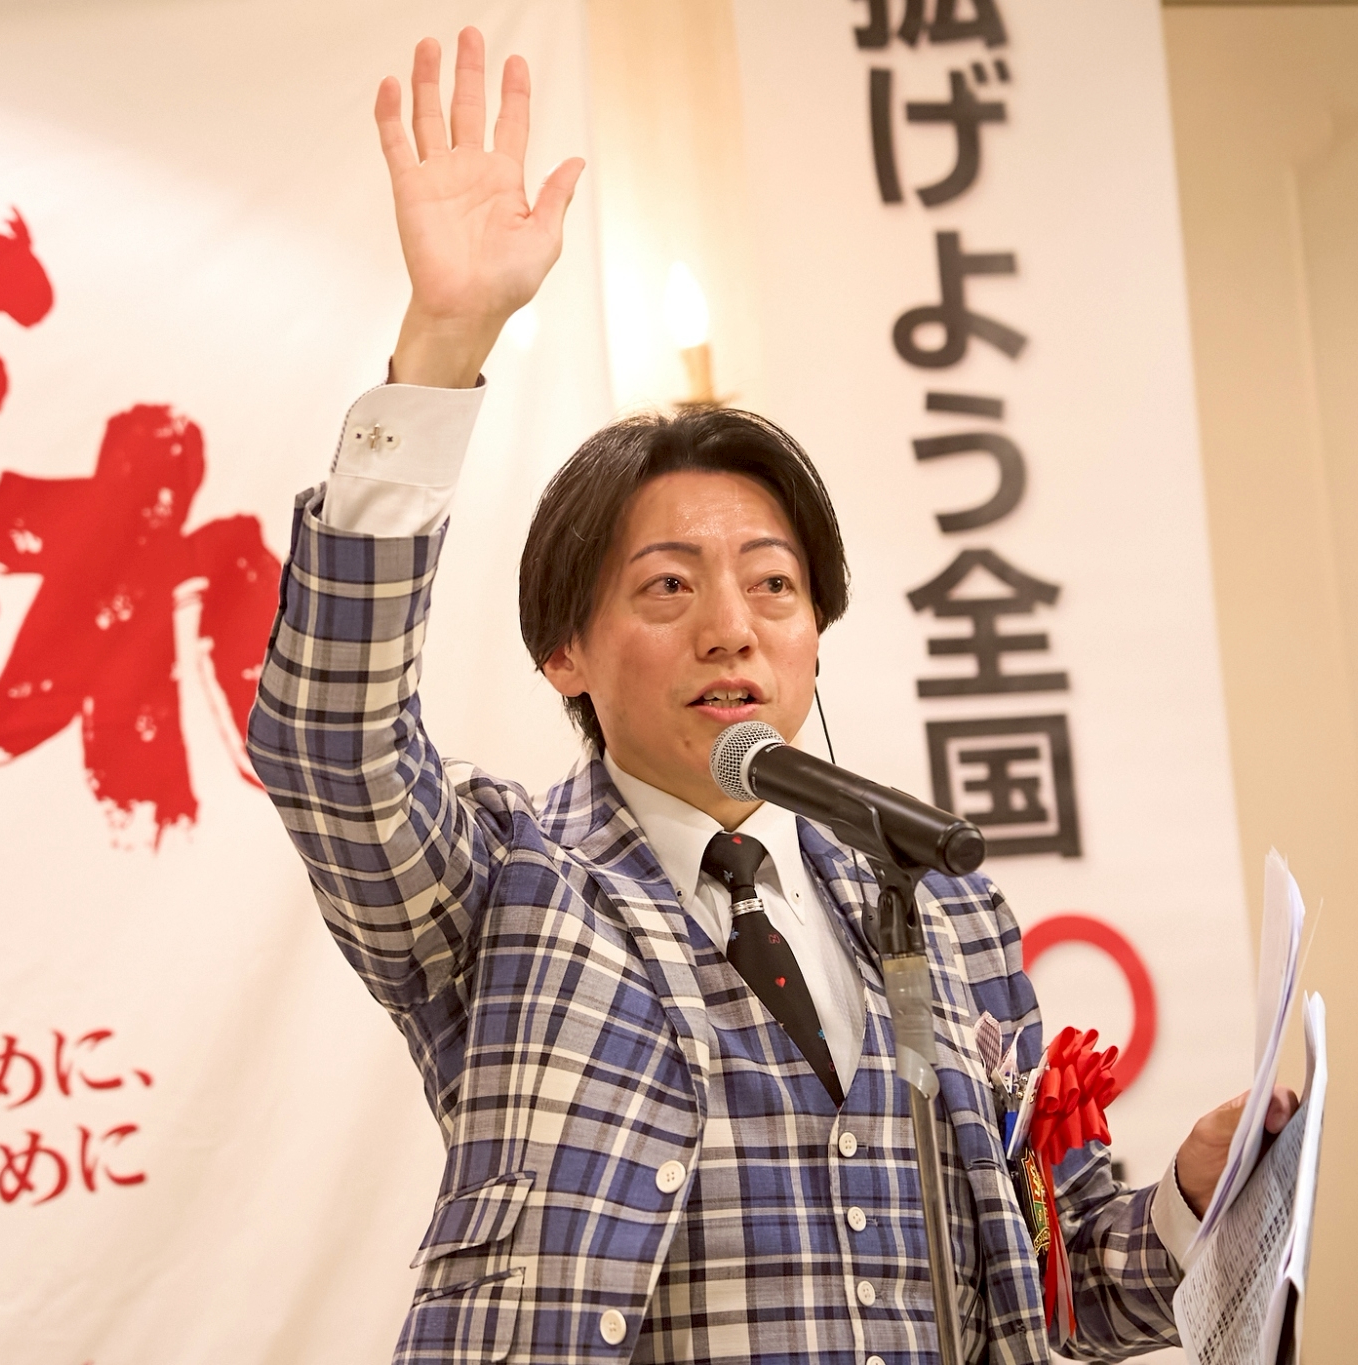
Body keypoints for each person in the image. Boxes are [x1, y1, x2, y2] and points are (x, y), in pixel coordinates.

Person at [247, 28, 1295, 1365]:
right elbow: (330, 745)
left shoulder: (944, 906)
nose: (732, 628)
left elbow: (1054, 1289)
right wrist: (444, 344)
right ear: (565, 652)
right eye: (668, 587)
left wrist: (1197, 1191)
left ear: (816, 635)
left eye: (775, 586)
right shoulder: (504, 884)